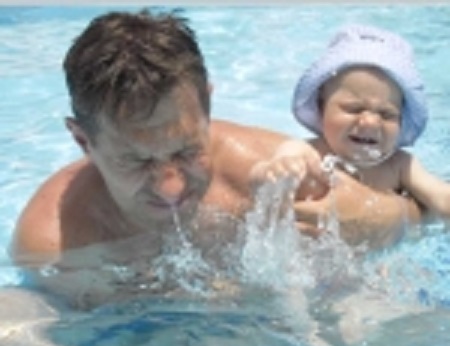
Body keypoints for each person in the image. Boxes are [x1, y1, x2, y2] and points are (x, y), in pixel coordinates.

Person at [9, 11, 420, 310]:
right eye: (136, 161)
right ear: (83, 141)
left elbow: (417, 213)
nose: (170, 187)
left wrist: (389, 219)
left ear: (207, 104)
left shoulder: (267, 172)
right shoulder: (53, 246)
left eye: (187, 151)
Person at [278, 24, 450, 222]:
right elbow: (263, 173)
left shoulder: (400, 165)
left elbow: (441, 197)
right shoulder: (308, 152)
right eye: (354, 108)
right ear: (321, 107)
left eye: (386, 114)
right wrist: (274, 170)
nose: (370, 122)